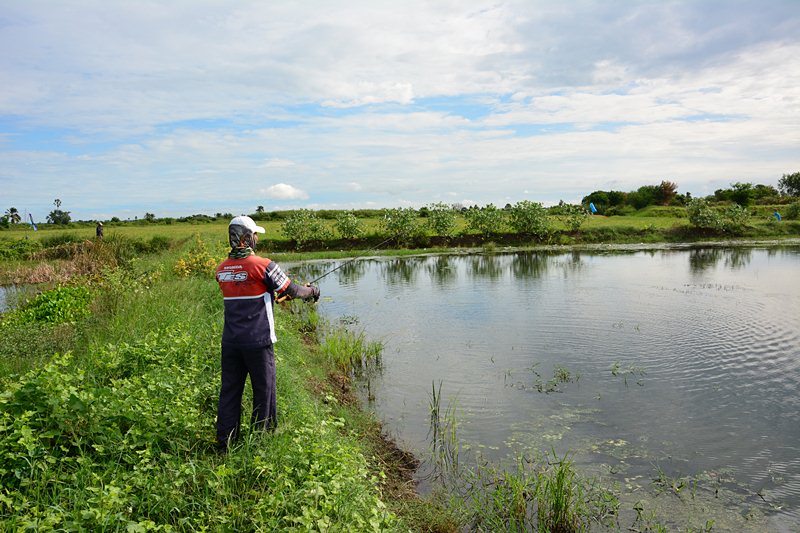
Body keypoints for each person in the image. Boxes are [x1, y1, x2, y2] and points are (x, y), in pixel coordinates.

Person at [214, 215, 319, 451]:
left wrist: (271, 296)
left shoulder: (221, 270)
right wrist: (312, 290)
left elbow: (246, 292)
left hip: (230, 342)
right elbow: (294, 290)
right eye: (255, 235)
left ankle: (225, 443)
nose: (257, 239)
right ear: (247, 237)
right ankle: (261, 442)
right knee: (264, 391)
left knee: (230, 391)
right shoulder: (264, 265)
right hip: (258, 342)